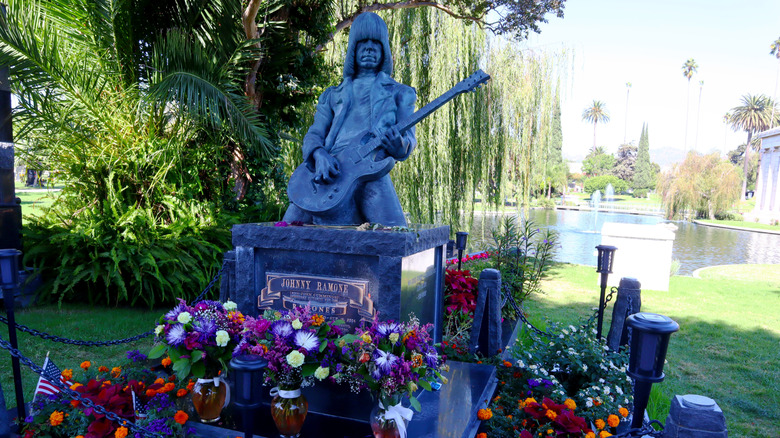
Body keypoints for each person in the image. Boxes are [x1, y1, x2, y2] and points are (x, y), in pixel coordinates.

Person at [283, 12, 416, 226]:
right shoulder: (332, 95)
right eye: (363, 43)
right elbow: (315, 134)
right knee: (285, 231)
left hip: (371, 172)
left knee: (396, 236)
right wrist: (319, 155)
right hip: (328, 172)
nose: (370, 48)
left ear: (384, 50)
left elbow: (409, 139)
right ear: (353, 49)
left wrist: (399, 146)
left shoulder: (401, 93)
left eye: (376, 43)